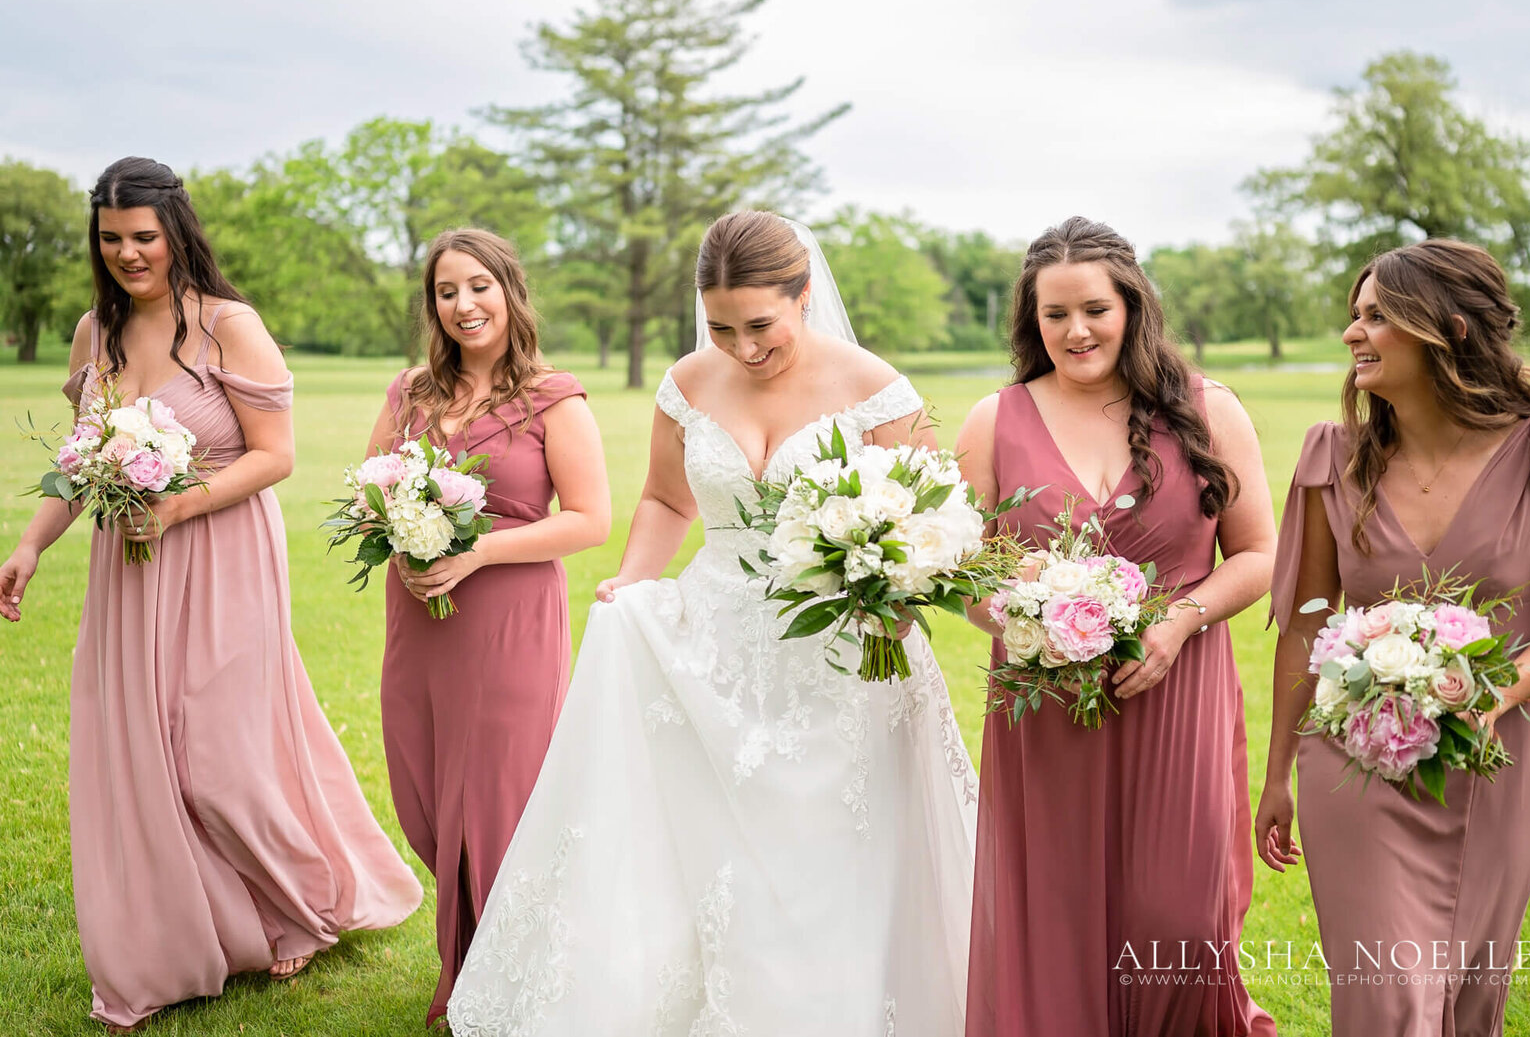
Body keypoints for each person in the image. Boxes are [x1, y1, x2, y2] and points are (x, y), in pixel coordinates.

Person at [446, 210, 978, 1036]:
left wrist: (896, 598)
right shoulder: (691, 381)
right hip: (715, 636)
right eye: (722, 326)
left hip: (847, 643)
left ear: (803, 296)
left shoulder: (875, 387)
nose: (743, 347)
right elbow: (666, 499)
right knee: (718, 839)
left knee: (830, 842)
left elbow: (933, 519)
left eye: (761, 325)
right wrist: (629, 583)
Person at [0, 156, 422, 1033]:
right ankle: (188, 936)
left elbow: (277, 456)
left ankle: (304, 900)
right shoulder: (94, 335)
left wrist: (181, 504)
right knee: (145, 754)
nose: (128, 254)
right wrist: (32, 544)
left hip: (224, 551)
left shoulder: (228, 325)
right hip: (132, 572)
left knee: (222, 751)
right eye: (111, 239)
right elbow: (80, 465)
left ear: (176, 231)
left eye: (143, 236)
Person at [1255, 238, 1530, 1035]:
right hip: (1354, 768)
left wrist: (1491, 694)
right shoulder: (1330, 458)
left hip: (1493, 768)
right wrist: (1277, 774)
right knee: (1388, 1000)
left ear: (1448, 330)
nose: (1352, 333)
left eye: (1377, 316)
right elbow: (1306, 624)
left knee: (1467, 1004)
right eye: (1354, 314)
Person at [957, 217, 1278, 1036]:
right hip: (1048, 711)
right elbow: (971, 579)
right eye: (1053, 314)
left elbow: (1258, 555)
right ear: (1031, 320)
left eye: (1094, 308)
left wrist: (1175, 623)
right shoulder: (994, 422)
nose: (1075, 331)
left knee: (1180, 916)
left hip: (1180, 694)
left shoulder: (1210, 409)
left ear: (1133, 306)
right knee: (1056, 919)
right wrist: (1027, 621)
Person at [368, 228, 610, 1026]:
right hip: (421, 615)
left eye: (479, 286)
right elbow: (366, 487)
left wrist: (475, 555)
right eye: (446, 292)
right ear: (432, 305)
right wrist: (397, 531)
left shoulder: (554, 395)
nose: (464, 304)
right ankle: (471, 953)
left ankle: (509, 979)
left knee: (502, 797)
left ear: (510, 290)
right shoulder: (410, 391)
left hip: (508, 615)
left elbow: (589, 520)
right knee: (425, 791)